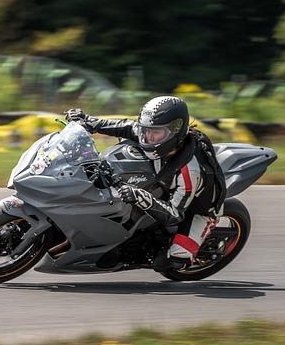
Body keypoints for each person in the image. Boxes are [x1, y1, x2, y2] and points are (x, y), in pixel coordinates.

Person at [64, 96, 226, 270]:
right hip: (167, 186)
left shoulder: (190, 170)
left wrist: (139, 196)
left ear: (175, 131)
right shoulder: (153, 134)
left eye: (155, 133)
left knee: (173, 262)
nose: (148, 137)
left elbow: (174, 215)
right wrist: (87, 121)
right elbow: (125, 127)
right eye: (145, 130)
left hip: (197, 210)